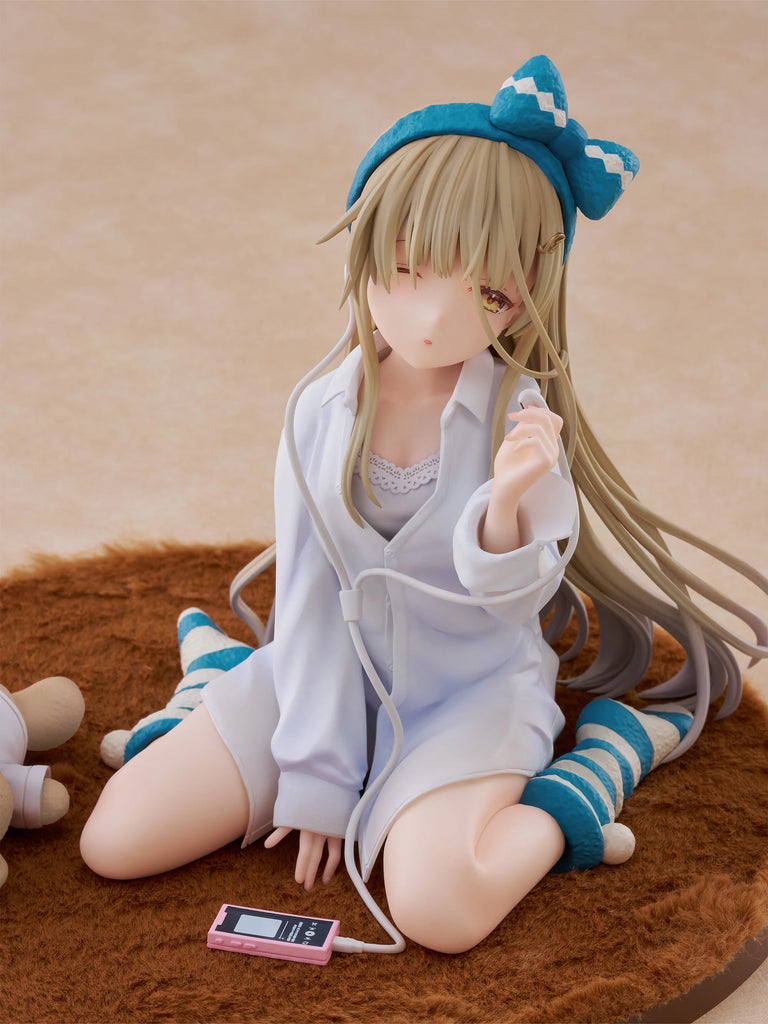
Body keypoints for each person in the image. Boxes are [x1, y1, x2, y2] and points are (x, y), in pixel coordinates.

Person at [80, 56, 767, 954]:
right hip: (318, 679)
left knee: (440, 911)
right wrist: (317, 779)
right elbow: (312, 596)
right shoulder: (318, 408)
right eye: (405, 269)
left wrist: (507, 501)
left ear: (527, 301)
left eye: (487, 293)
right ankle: (215, 690)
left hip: (464, 696)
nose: (435, 317)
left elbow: (511, 602)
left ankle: (592, 774)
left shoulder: (521, 420)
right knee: (113, 841)